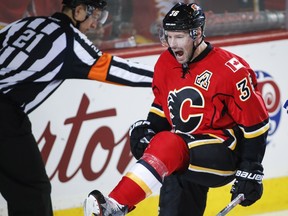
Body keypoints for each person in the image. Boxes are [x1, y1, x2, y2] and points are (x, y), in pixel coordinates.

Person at [83, 2, 269, 216]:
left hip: (224, 152)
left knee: (169, 144)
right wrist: (149, 129)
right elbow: (163, 107)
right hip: (184, 153)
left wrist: (251, 169)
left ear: (197, 33)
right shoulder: (165, 63)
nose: (172, 43)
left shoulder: (231, 69)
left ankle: (115, 205)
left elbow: (256, 125)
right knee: (167, 155)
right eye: (168, 36)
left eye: (179, 36)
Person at [0, 0, 154, 215]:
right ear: (79, 11)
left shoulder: (24, 24)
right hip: (5, 115)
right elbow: (116, 70)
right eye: (96, 16)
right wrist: (164, 76)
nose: (96, 24)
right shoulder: (69, 40)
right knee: (32, 190)